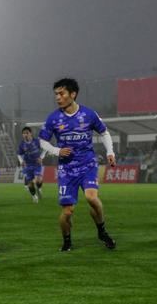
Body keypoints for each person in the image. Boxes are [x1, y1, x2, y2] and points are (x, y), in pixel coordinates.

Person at [39, 78, 117, 252]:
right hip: (66, 170)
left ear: (73, 94)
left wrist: (110, 152)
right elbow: (43, 141)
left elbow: (104, 133)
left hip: (88, 165)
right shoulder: (53, 118)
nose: (58, 98)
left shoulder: (88, 114)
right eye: (56, 94)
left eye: (61, 94)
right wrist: (57, 151)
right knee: (67, 211)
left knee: (91, 198)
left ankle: (102, 231)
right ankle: (67, 242)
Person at [17, 126, 45, 203]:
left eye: (27, 133)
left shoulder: (37, 141)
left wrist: (41, 157)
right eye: (23, 133)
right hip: (28, 165)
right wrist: (21, 161)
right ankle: (34, 196)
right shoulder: (22, 145)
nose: (25, 135)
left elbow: (45, 149)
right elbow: (19, 154)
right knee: (30, 184)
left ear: (31, 133)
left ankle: (39, 189)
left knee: (38, 179)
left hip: (36, 164)